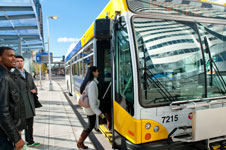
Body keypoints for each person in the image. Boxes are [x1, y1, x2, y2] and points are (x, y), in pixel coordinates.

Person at [0, 47, 25, 150]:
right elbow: (2, 111)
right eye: (10, 56)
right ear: (0, 58)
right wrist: (16, 138)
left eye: (15, 56)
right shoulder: (3, 78)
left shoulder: (8, 75)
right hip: (4, 137)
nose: (14, 58)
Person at [13, 55, 40, 147]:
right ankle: (18, 144)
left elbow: (34, 86)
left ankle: (30, 141)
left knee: (30, 125)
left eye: (21, 61)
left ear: (23, 62)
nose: (20, 62)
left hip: (30, 104)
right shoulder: (13, 76)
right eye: (17, 61)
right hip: (20, 105)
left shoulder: (28, 75)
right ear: (15, 63)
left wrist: (35, 90)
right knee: (19, 127)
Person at [77, 66, 105, 149]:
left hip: (89, 108)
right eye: (97, 71)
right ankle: (80, 142)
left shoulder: (89, 82)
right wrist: (100, 113)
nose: (98, 73)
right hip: (91, 109)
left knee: (90, 125)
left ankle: (80, 142)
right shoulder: (92, 84)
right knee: (90, 126)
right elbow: (93, 103)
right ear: (93, 72)